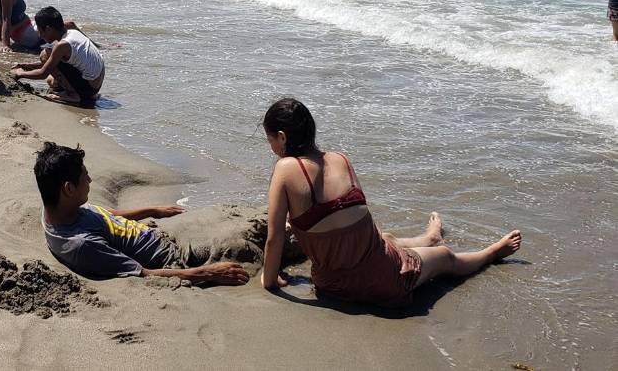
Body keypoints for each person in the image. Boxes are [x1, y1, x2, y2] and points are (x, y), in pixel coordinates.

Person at [260, 98, 523, 306]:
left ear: (282, 137)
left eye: (269, 139)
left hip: (330, 284)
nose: (271, 146)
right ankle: (490, 253)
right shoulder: (341, 159)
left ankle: (429, 239)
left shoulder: (285, 170)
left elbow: (276, 239)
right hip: (381, 284)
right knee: (445, 258)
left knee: (385, 238)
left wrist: (268, 280)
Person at [35, 141, 250, 285]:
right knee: (245, 241)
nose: (90, 181)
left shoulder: (56, 208)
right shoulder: (82, 245)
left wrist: (152, 211)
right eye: (85, 177)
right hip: (175, 258)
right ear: (69, 189)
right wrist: (209, 273)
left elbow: (105, 216)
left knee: (233, 219)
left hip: (157, 235)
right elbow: (144, 273)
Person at [11, 7, 104, 104]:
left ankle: (72, 95)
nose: (39, 35)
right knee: (52, 81)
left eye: (39, 31)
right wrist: (25, 66)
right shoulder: (72, 32)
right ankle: (81, 92)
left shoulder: (63, 45)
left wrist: (20, 73)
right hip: (96, 81)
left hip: (89, 88)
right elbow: (53, 63)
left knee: (45, 55)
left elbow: (43, 73)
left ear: (48, 29)